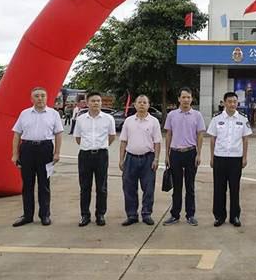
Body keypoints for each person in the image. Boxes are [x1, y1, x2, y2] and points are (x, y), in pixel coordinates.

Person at [11, 87, 63, 227]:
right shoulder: (24, 114)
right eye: (37, 96)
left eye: (42, 95)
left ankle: (45, 215)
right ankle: (27, 216)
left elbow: (58, 134)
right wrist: (15, 154)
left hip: (45, 149)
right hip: (27, 149)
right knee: (27, 184)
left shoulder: (53, 114)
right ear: (31, 98)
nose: (40, 98)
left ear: (46, 97)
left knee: (44, 184)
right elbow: (17, 134)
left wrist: (57, 152)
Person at [207, 91, 252, 227]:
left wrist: (244, 157)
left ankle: (235, 216)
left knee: (235, 188)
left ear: (237, 103)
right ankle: (219, 216)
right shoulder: (216, 119)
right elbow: (212, 139)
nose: (232, 104)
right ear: (224, 103)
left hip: (235, 159)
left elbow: (245, 140)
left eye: (234, 102)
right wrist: (212, 157)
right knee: (219, 189)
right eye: (230, 102)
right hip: (219, 158)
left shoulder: (243, 119)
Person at [163, 87, 206, 227]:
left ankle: (190, 215)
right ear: (179, 99)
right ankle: (175, 215)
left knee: (190, 186)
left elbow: (200, 135)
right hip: (175, 153)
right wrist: (167, 154)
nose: (186, 100)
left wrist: (199, 154)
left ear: (192, 99)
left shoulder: (197, 115)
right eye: (183, 97)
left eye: (188, 97)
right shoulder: (172, 115)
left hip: (191, 153)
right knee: (177, 187)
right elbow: (168, 134)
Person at [74, 91, 116, 227]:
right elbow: (78, 138)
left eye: (98, 100)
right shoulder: (80, 119)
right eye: (93, 101)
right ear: (87, 103)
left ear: (101, 102)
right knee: (85, 187)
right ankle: (85, 215)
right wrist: (88, 146)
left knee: (101, 187)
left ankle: (100, 214)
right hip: (85, 155)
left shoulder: (108, 119)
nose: (96, 103)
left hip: (101, 155)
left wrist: (101, 146)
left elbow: (111, 137)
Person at [119, 94, 162, 226]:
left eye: (144, 102)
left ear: (148, 105)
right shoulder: (129, 121)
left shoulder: (154, 121)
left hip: (148, 158)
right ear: (135, 105)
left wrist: (156, 159)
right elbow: (123, 141)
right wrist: (121, 159)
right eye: (139, 102)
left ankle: (146, 213)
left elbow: (157, 142)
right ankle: (132, 215)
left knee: (148, 188)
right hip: (130, 158)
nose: (142, 104)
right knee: (129, 188)